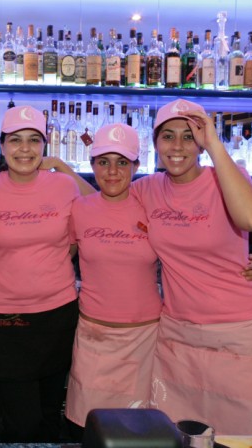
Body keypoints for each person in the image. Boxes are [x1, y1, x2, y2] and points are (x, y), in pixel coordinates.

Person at [130, 99, 252, 435]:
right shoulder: (147, 189)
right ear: (155, 143)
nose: (177, 147)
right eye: (168, 136)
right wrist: (56, 167)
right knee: (183, 436)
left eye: (189, 136)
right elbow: (95, 203)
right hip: (179, 334)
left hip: (238, 333)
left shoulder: (229, 179)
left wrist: (215, 146)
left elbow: (251, 219)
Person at [0, 105, 90, 443]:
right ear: (2, 144)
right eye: (15, 140)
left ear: (44, 145)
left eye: (33, 140)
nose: (24, 149)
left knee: (48, 414)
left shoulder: (62, 187)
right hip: (9, 318)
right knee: (19, 423)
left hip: (58, 315)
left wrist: (64, 167)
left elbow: (103, 211)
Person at [64, 123, 161, 431]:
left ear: (136, 165)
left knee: (141, 432)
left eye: (122, 162)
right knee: (91, 430)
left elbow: (193, 248)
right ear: (92, 165)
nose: (112, 171)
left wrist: (245, 265)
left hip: (146, 340)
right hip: (94, 338)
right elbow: (57, 256)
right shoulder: (78, 209)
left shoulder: (152, 206)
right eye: (103, 162)